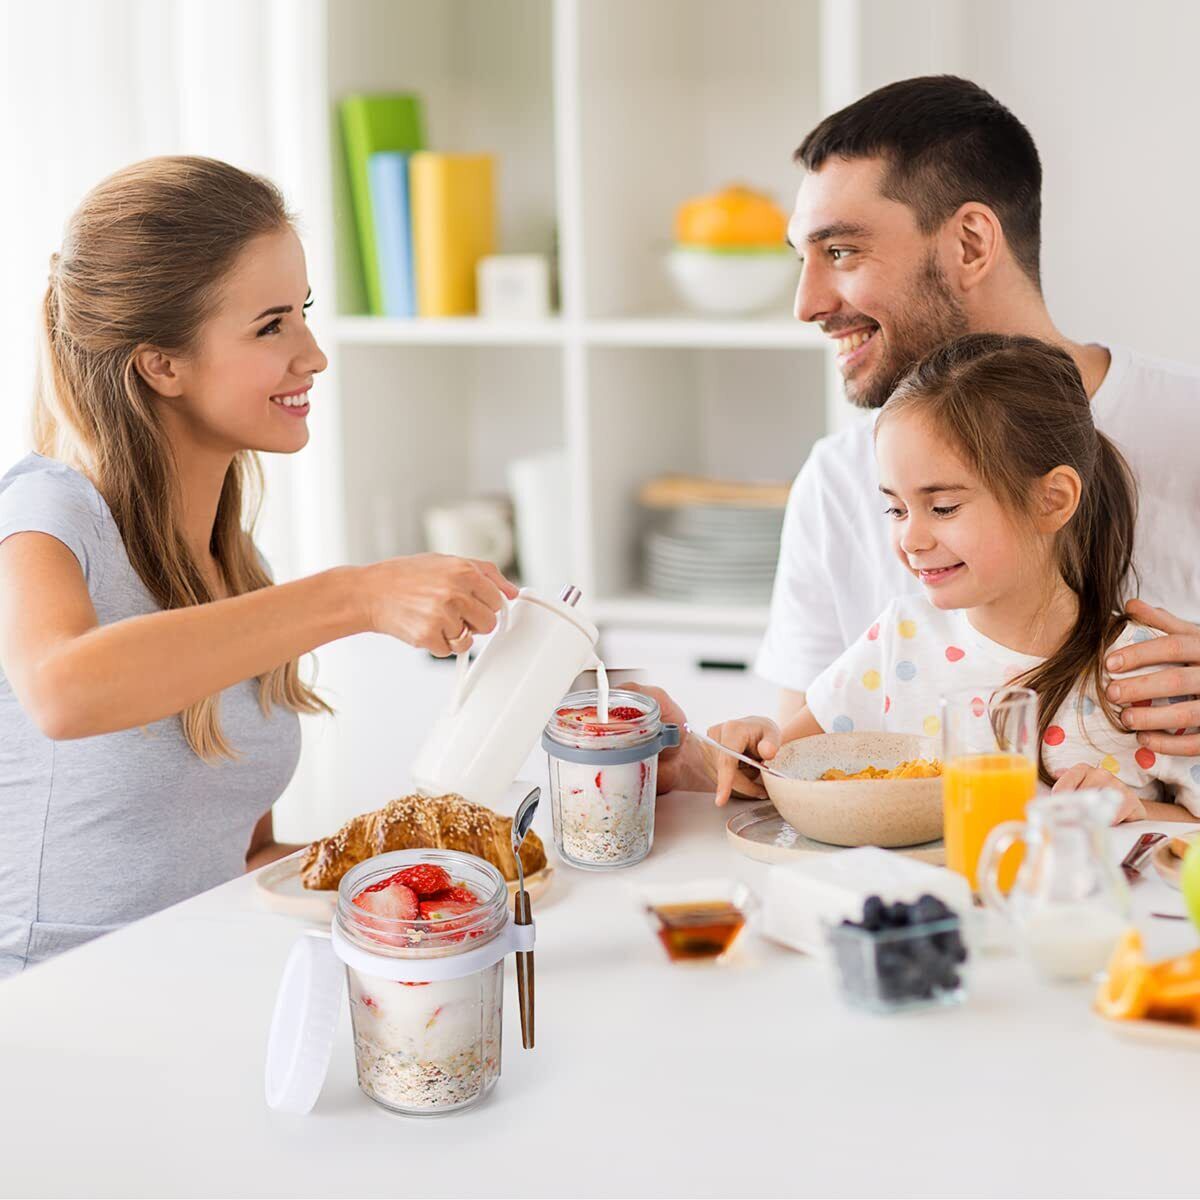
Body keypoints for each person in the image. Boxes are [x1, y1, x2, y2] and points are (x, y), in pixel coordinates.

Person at [0, 156, 517, 977]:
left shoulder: (238, 569)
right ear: (161, 364)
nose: (312, 354)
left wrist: (426, 871)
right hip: (50, 1016)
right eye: (271, 325)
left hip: (190, 992)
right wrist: (354, 595)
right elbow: (63, 691)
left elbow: (242, 862)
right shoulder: (47, 514)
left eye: (303, 313)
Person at [749, 75, 1200, 745]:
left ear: (970, 244)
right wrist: (699, 766)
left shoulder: (1187, 428)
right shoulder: (838, 480)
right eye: (803, 259)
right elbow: (802, 771)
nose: (806, 304)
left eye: (840, 252)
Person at [702, 334, 1199, 821]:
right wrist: (752, 743)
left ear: (1052, 500)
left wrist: (1138, 810)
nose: (911, 539)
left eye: (942, 507)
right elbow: (783, 770)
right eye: (895, 509)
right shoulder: (899, 640)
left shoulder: (1141, 671)